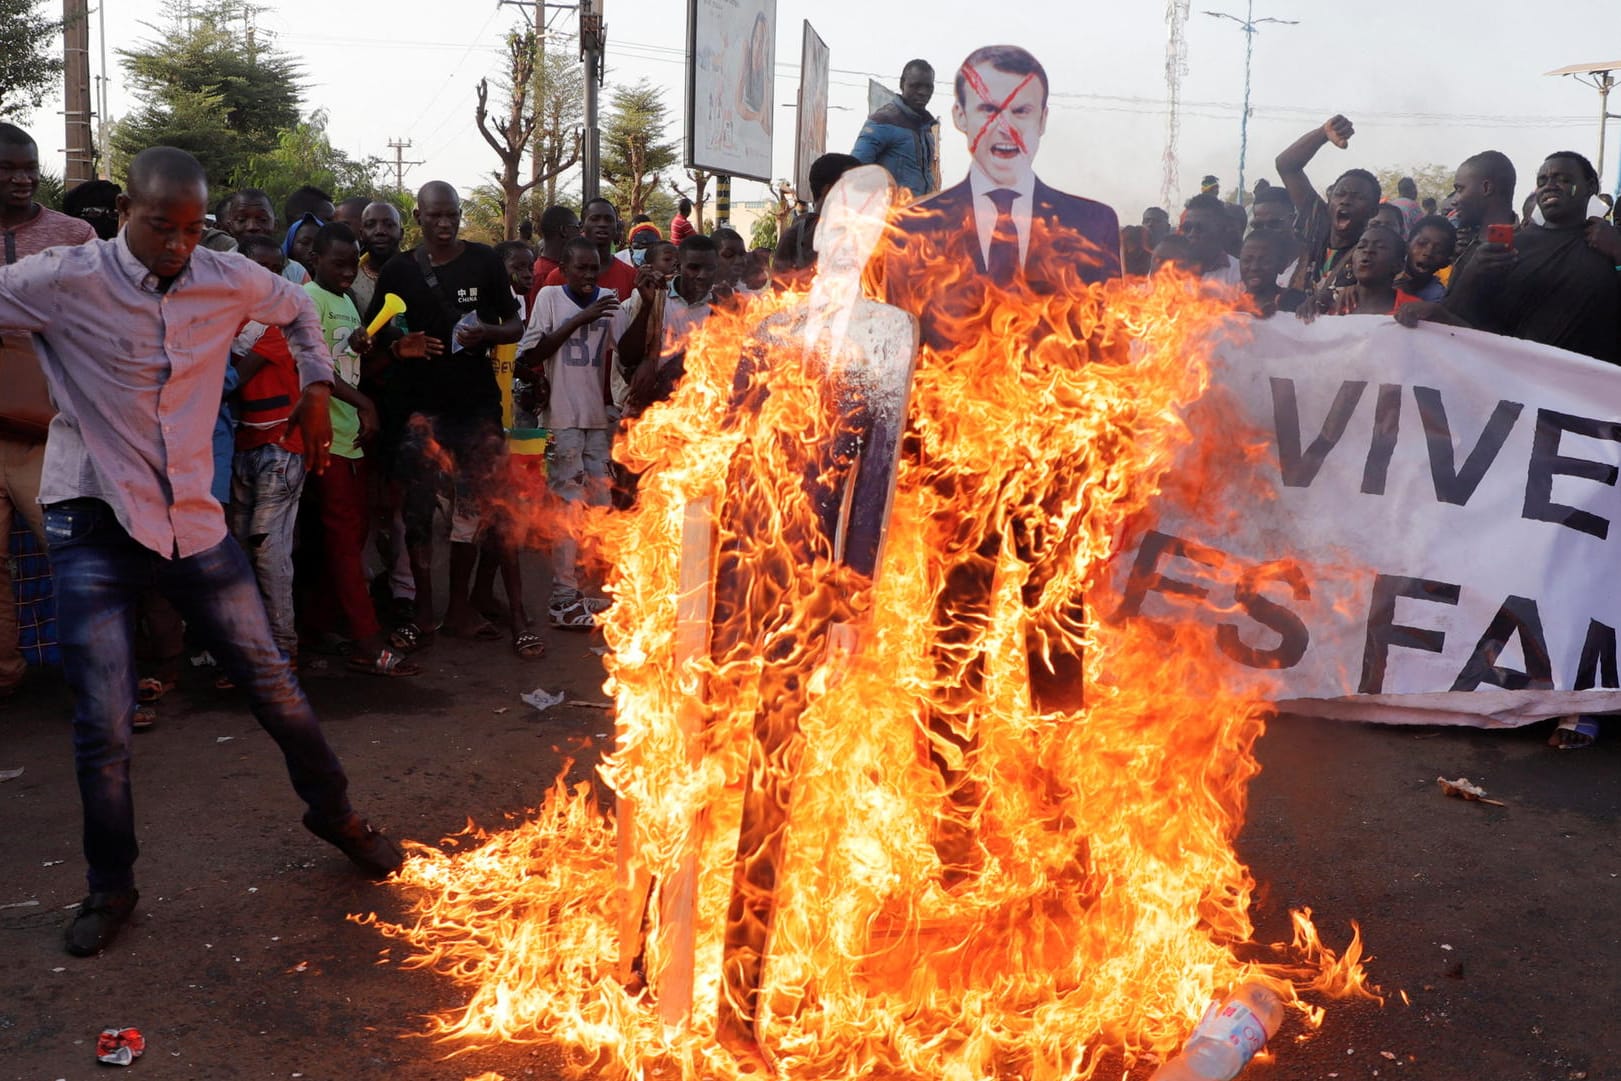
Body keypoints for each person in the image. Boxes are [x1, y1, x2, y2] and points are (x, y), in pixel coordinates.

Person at [0, 146, 405, 956]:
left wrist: (318, 389)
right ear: (124, 214)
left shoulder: (225, 275)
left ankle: (337, 815)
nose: (179, 246)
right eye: (161, 227)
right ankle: (110, 886)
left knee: (277, 688)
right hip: (94, 519)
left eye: (192, 229)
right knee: (103, 722)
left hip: (194, 521)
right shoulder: (60, 278)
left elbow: (294, 307)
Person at [362, 180, 529, 655]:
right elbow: (373, 338)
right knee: (417, 514)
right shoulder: (398, 270)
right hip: (419, 414)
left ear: (460, 214)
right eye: (434, 215)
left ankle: (460, 606)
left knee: (477, 511)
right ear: (418, 218)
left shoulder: (484, 260)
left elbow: (515, 324)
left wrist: (488, 333)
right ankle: (422, 613)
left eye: (451, 214)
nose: (444, 223)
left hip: (476, 409)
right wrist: (401, 346)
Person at [885, 44, 1121, 351]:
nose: (1005, 128)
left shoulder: (1093, 225)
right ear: (960, 117)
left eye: (1021, 111)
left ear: (1042, 120)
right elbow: (898, 352)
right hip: (947, 396)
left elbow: (1111, 348)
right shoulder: (911, 228)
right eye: (988, 109)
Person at [0, 123, 97, 704]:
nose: (21, 177)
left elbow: (96, 321)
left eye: (29, 165)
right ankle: (5, 677)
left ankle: (103, 677)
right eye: (7, 168)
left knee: (77, 554)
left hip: (49, 426)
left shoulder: (73, 233)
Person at [299, 223, 413, 676]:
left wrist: (376, 350)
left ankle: (323, 625)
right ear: (315, 261)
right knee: (344, 542)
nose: (348, 272)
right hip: (328, 438)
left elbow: (347, 358)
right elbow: (313, 367)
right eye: (338, 263)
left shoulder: (345, 302)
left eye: (353, 263)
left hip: (350, 437)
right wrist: (365, 404)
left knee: (347, 537)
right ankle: (367, 640)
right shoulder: (309, 300)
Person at [1401, 151, 1621, 365]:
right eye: (1542, 181)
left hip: (1591, 392)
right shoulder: (1508, 249)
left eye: (1563, 179)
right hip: (1519, 388)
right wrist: (1472, 273)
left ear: (1591, 186)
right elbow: (1460, 323)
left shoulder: (1608, 245)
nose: (1549, 186)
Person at [517, 236, 622, 630]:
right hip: (561, 417)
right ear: (564, 267)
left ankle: (577, 589)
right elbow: (531, 354)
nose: (589, 275)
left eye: (594, 268)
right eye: (581, 267)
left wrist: (643, 304)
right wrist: (581, 318)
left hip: (596, 418)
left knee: (599, 505)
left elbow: (626, 352)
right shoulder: (549, 297)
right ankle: (561, 597)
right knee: (567, 508)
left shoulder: (609, 299)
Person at [1274, 115, 1381, 296]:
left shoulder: (1374, 252)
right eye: (1339, 194)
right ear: (1329, 200)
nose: (1345, 201)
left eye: (1357, 197)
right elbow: (1286, 165)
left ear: (1373, 211)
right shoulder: (1317, 224)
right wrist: (1323, 133)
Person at [851, 59, 939, 200]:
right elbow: (855, 172)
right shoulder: (882, 121)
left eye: (928, 87)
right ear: (902, 84)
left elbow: (925, 178)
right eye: (915, 86)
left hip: (918, 216)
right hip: (889, 217)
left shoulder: (926, 130)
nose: (922, 92)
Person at [1305, 223, 1419, 318]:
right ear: (1351, 262)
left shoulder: (1415, 310)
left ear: (1399, 265)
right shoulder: (1331, 308)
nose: (1368, 251)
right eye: (1361, 246)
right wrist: (1308, 311)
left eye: (1380, 247)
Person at [536, 198, 637, 305]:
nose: (602, 224)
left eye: (609, 219)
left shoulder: (631, 276)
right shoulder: (558, 277)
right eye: (595, 219)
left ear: (616, 227)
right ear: (581, 226)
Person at [352, 200, 404, 315]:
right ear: (361, 234)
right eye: (370, 225)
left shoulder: (418, 274)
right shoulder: (349, 279)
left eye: (389, 225)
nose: (380, 231)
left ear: (401, 233)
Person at [1239, 230, 1306, 317]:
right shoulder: (1228, 308)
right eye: (1246, 261)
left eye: (1265, 261)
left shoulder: (1298, 302)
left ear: (1281, 265)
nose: (1254, 267)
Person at [1179, 193, 1242, 285]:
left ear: (1221, 231)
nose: (1192, 234)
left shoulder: (1239, 273)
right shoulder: (1169, 269)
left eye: (1201, 228)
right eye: (1187, 228)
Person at [1396, 215, 1457, 302]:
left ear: (1446, 262)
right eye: (1421, 243)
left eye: (1439, 250)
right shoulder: (1386, 273)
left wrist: (1406, 295)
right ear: (1407, 245)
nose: (1428, 253)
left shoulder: (1438, 297)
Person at [534, 204, 580, 286]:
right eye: (577, 228)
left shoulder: (562, 267)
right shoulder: (542, 275)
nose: (580, 233)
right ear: (564, 231)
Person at [494, 238, 537, 320]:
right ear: (498, 267)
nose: (528, 275)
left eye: (531, 268)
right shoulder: (482, 299)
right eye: (517, 268)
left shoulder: (517, 298)